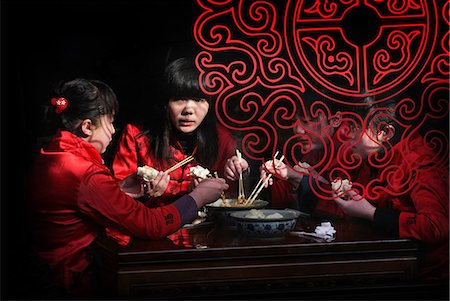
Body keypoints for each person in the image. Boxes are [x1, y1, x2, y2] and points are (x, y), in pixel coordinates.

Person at [26, 78, 229, 297]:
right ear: (87, 127)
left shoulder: (51, 154)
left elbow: (79, 203)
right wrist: (198, 197)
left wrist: (121, 190)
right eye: (110, 122)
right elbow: (151, 225)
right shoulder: (83, 171)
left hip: (45, 269)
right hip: (72, 280)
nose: (113, 131)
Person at [263, 95, 449, 281]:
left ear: (384, 132)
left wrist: (372, 213)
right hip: (382, 263)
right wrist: (296, 179)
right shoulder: (373, 157)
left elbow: (438, 226)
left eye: (354, 128)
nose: (347, 135)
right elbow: (349, 210)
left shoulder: (419, 163)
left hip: (423, 275)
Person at [112, 56, 238, 206]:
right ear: (165, 102)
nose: (189, 110)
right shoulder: (135, 135)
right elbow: (115, 197)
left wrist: (238, 174)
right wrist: (142, 194)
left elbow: (231, 198)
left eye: (199, 100)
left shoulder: (221, 138)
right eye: (180, 99)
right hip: (150, 225)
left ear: (210, 104)